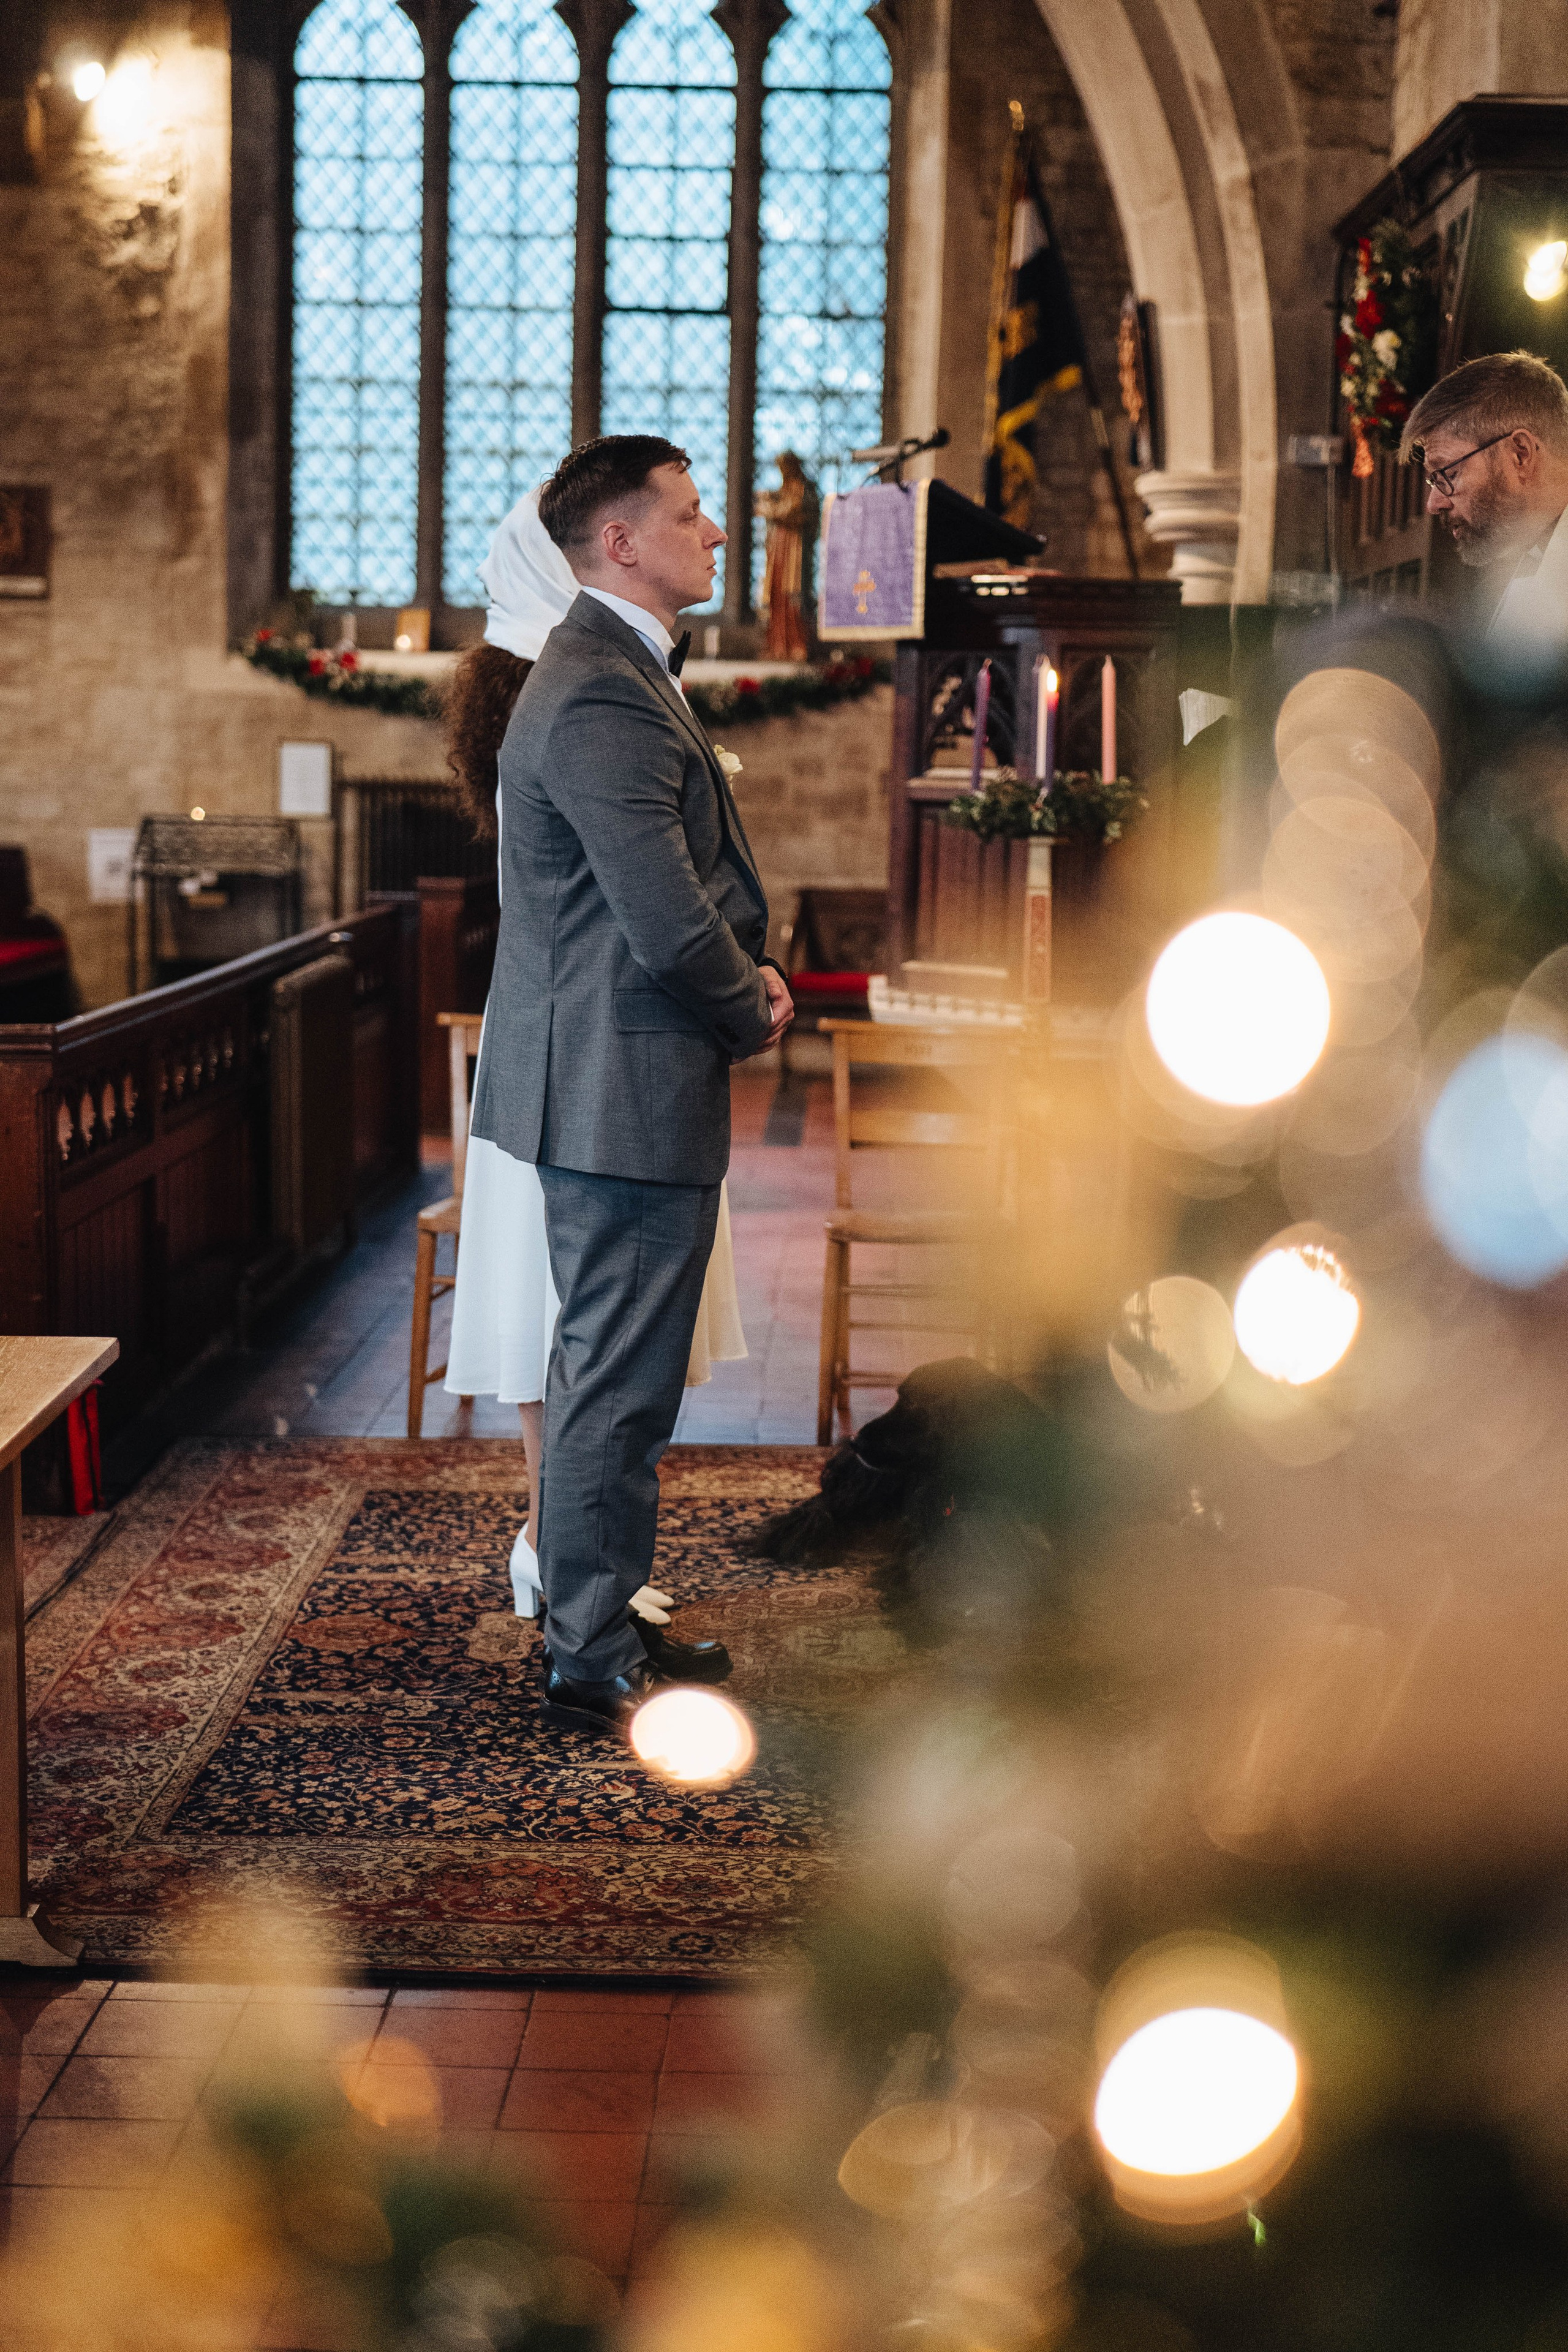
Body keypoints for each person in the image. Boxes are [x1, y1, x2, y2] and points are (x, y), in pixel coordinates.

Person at [469, 435, 793, 1737]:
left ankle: (594, 1613)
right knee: (617, 1380)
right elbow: (660, 916)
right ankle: (586, 1652)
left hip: (617, 1070)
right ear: (619, 542)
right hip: (618, 1081)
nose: (715, 533)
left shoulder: (616, 666)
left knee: (614, 1371)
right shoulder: (601, 688)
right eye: (691, 514)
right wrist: (748, 1001)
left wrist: (750, 970)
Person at [1401, 349, 1568, 649]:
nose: (1434, 504)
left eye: (1449, 474)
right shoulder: (1531, 552)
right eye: (1433, 480)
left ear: (1520, 454)